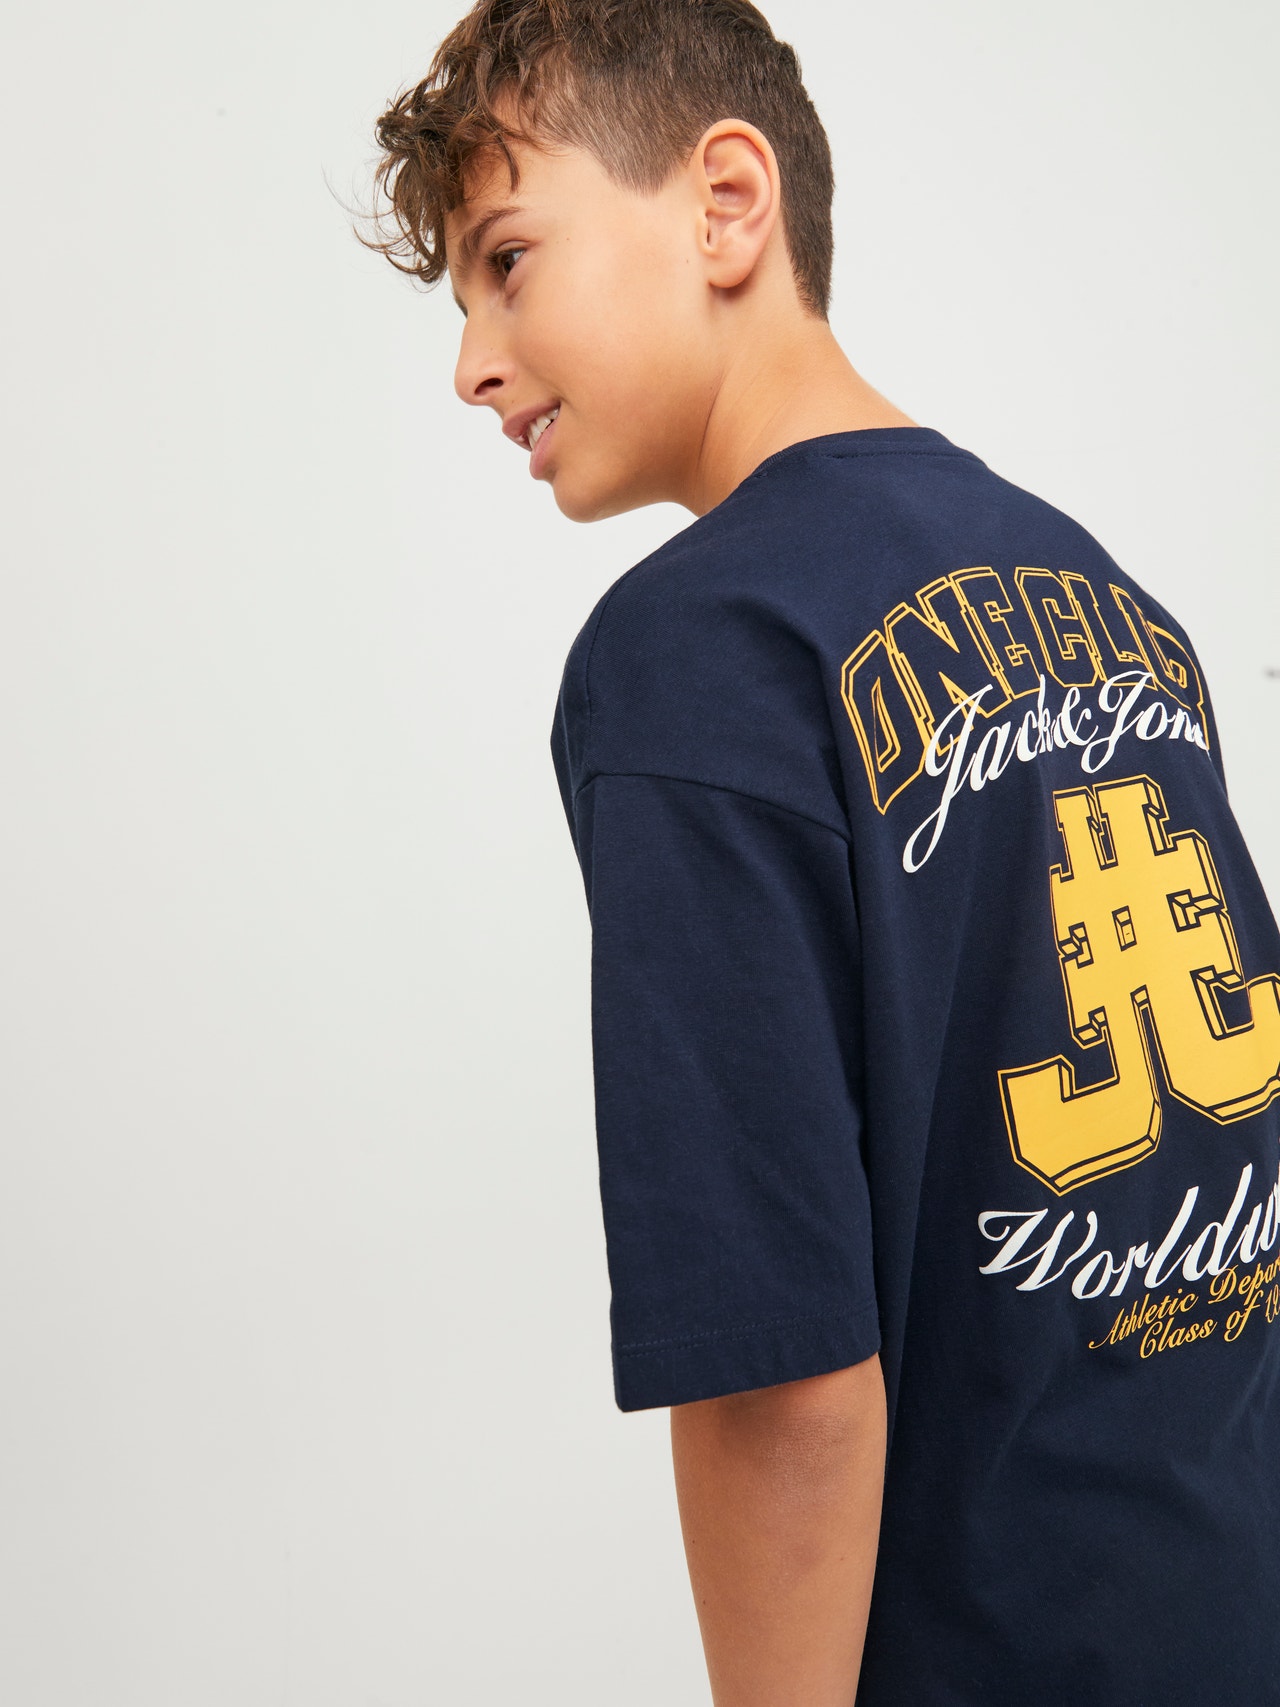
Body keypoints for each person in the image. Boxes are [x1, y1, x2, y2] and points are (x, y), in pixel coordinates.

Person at [364, 3, 1280, 1701]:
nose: (472, 363)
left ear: (727, 205)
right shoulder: (1110, 602)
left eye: (508, 261)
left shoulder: (696, 656)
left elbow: (781, 1373)